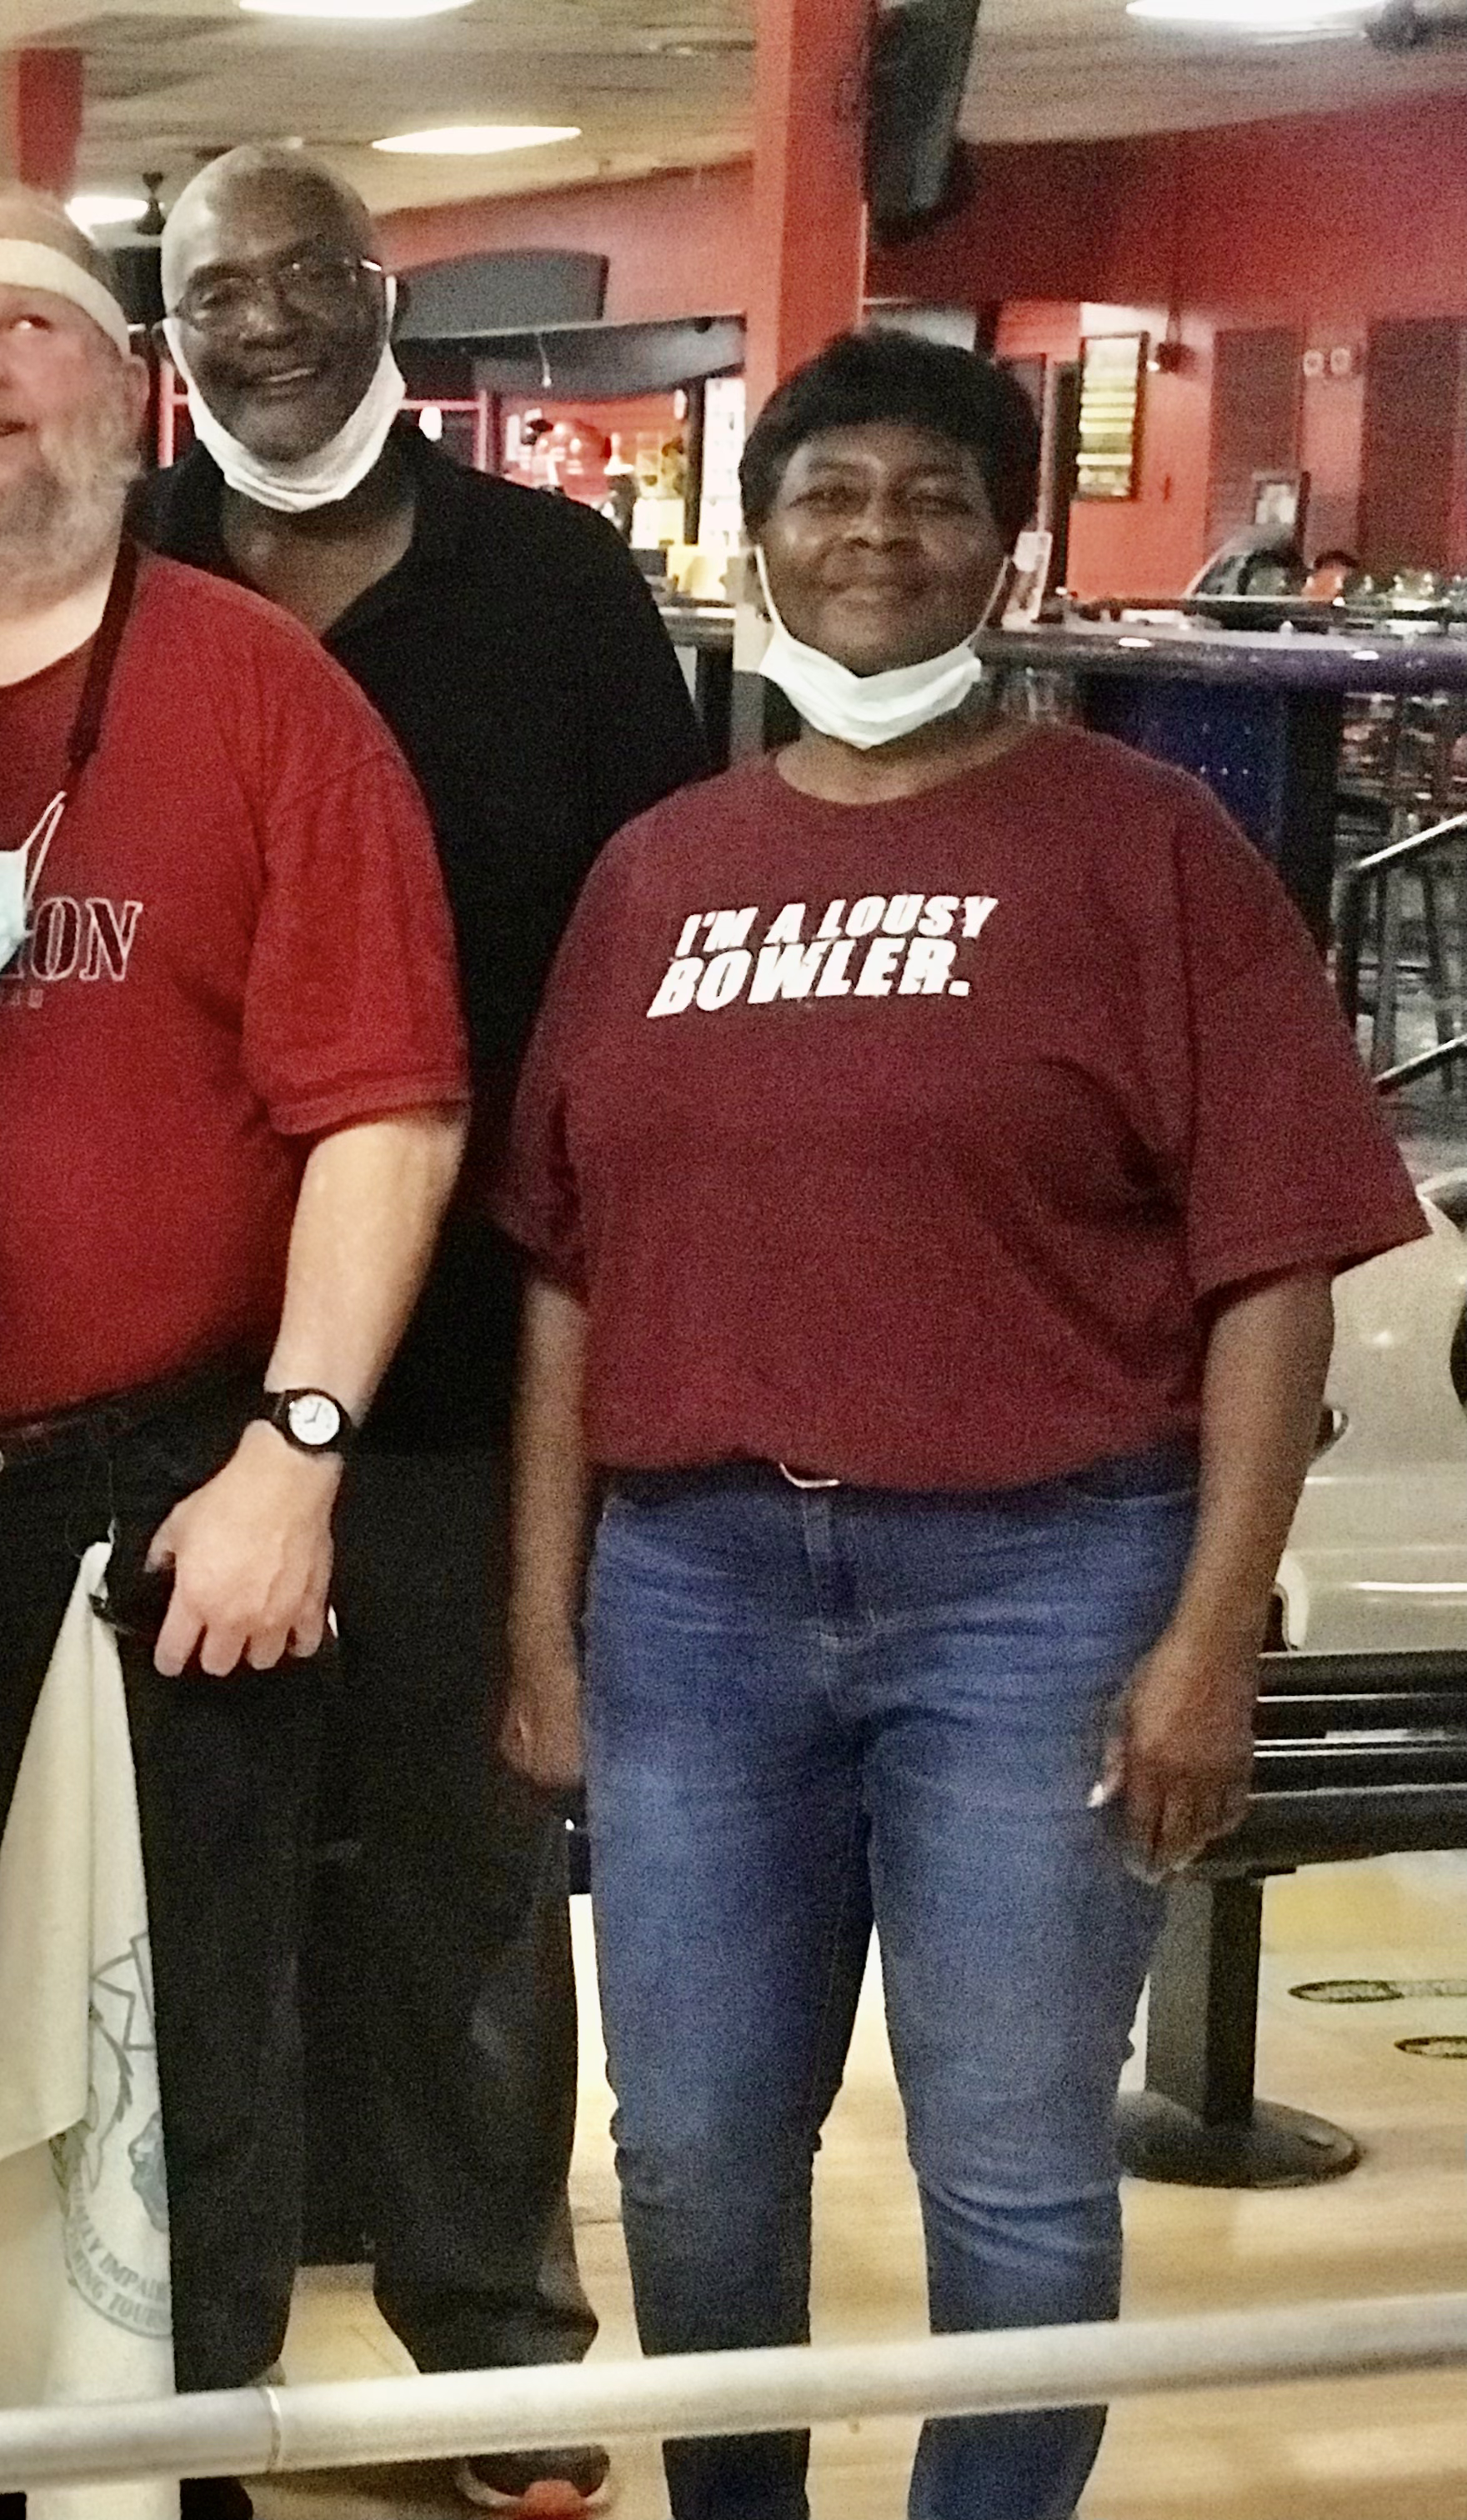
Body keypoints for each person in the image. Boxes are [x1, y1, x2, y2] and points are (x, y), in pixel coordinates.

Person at [495, 330, 1424, 2520]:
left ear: (1005, 552)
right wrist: (547, 1627)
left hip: (1047, 1589)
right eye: (832, 496)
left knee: (1012, 2169)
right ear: (762, 542)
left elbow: (1270, 1267)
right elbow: (562, 1275)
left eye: (931, 498)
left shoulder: (1149, 854)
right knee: (699, 2154)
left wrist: (1210, 1632)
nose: (879, 536)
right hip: (698, 1592)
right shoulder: (660, 874)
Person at [0, 190, 468, 2520]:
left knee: (175, 2078)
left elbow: (386, 1102)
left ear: (126, 395)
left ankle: (171, 2487)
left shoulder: (266, 702)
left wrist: (298, 1449)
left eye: (34, 335)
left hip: (158, 1518)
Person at [142, 143, 707, 2518]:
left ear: (385, 295)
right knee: (195, 1905)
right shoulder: (113, 566)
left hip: (482, 1371)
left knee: (472, 1872)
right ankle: (189, 2368)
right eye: (210, 287)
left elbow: (643, 968)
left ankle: (495, 2341)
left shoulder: (557, 588)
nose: (261, 321)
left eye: (303, 274)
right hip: (166, 1380)